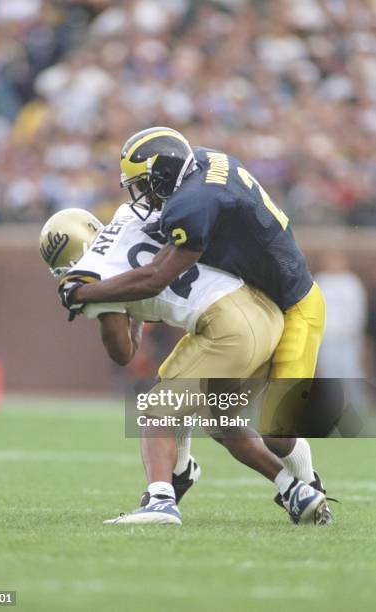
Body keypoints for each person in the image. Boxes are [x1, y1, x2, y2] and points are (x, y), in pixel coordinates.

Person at [58, 126, 333, 519]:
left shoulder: (192, 203)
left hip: (295, 305)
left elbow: (155, 276)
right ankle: (291, 493)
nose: (143, 197)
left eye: (145, 185)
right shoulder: (201, 162)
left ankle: (306, 484)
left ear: (165, 173)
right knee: (217, 417)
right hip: (259, 304)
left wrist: (81, 293)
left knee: (273, 428)